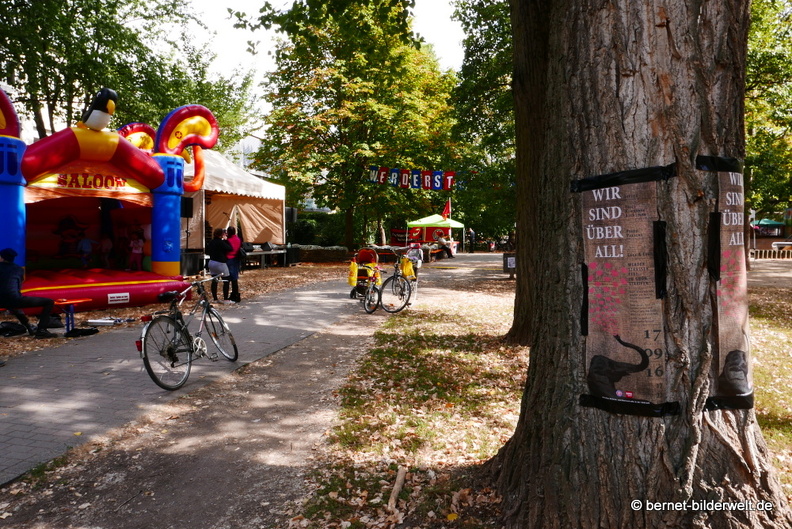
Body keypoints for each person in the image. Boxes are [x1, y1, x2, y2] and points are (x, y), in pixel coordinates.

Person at [0, 248, 56, 339]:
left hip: (2, 300)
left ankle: (29, 327)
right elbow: (17, 287)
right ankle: (41, 330)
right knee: (49, 302)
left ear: (2, 258)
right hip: (14, 299)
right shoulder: (18, 269)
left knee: (13, 306)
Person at [206, 228, 233, 303]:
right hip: (220, 263)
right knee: (226, 280)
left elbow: (207, 251)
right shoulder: (221, 242)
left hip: (211, 262)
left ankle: (215, 298)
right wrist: (226, 240)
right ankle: (226, 299)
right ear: (221, 234)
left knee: (214, 281)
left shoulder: (211, 242)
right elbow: (229, 248)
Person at [224, 226, 242, 303]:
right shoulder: (238, 239)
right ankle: (235, 294)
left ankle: (226, 296)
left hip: (228, 259)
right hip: (235, 259)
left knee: (227, 278)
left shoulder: (228, 240)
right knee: (234, 278)